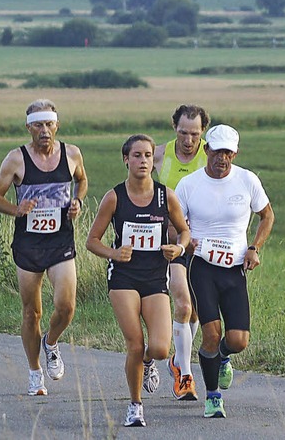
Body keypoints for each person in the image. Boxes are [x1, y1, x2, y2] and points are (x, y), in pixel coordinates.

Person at [87, 134, 190, 427]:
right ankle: (135, 406)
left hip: (156, 275)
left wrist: (178, 248)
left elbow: (184, 231)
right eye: (137, 156)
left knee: (158, 348)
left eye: (147, 155)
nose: (143, 161)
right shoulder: (114, 197)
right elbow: (91, 241)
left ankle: (147, 364)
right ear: (126, 160)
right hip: (123, 276)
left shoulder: (165, 195)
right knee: (135, 343)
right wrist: (114, 253)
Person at [0, 99, 87, 397]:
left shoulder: (71, 153)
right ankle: (34, 372)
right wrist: (17, 209)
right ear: (29, 127)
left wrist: (77, 202)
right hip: (29, 245)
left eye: (49, 124)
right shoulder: (15, 160)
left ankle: (52, 342)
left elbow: (81, 181)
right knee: (32, 312)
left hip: (60, 241)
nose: (45, 130)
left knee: (66, 307)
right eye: (39, 125)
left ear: (57, 125)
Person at [175, 124, 275, 419]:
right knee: (210, 333)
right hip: (202, 265)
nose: (222, 158)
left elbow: (267, 215)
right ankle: (213, 397)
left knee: (237, 340)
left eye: (228, 153)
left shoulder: (247, 180)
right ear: (206, 150)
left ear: (235, 153)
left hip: (233, 268)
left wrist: (255, 247)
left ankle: (221, 358)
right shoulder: (190, 185)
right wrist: (185, 239)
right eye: (217, 151)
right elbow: (175, 223)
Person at [153, 104, 209, 400]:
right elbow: (140, 192)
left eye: (195, 134)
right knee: (183, 305)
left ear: (204, 133)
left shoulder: (211, 157)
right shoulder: (159, 155)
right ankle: (185, 375)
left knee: (198, 309)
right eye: (183, 132)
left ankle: (178, 359)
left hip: (203, 243)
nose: (189, 140)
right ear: (174, 127)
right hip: (171, 244)